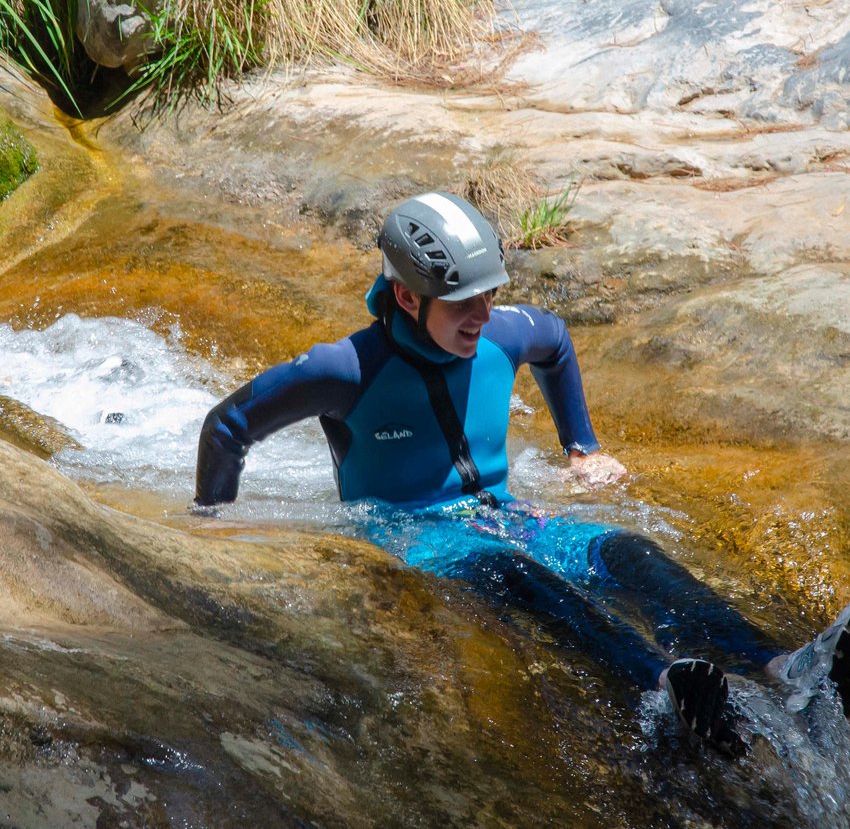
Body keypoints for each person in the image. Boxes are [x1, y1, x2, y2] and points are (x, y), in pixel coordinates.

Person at [194, 190, 850, 755]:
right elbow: (228, 426)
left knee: (627, 551)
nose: (481, 317)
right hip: (409, 534)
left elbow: (556, 341)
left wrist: (582, 449)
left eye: (489, 297)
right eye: (462, 305)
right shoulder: (344, 370)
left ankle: (783, 664)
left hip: (505, 512)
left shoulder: (503, 333)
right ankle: (662, 681)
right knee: (517, 575)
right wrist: (208, 524)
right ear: (406, 295)